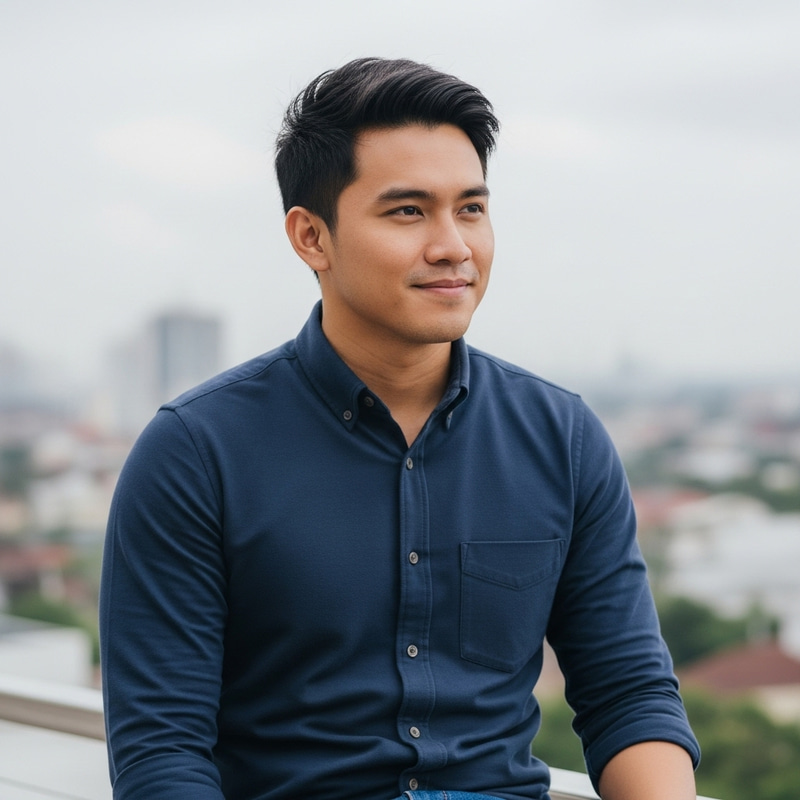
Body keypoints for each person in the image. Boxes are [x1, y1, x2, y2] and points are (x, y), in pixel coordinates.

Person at [99, 57, 700, 800]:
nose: (453, 246)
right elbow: (162, 750)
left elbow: (629, 694)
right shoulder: (194, 453)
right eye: (408, 211)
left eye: (471, 209)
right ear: (311, 237)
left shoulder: (562, 438)